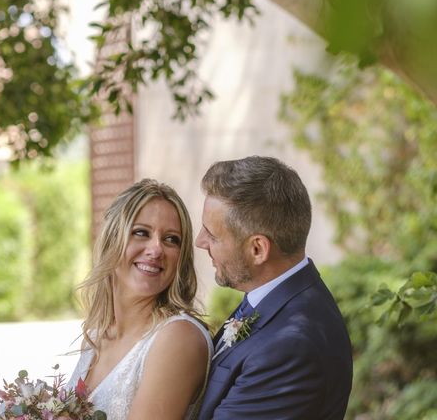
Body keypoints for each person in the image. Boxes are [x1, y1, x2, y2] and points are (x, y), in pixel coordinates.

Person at [196, 156, 353, 420]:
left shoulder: (290, 348)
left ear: (257, 249)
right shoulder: (272, 298)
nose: (200, 242)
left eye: (212, 235)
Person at [68, 178, 213, 420]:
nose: (156, 249)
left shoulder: (177, 337)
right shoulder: (95, 337)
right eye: (141, 233)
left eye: (171, 239)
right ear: (111, 240)